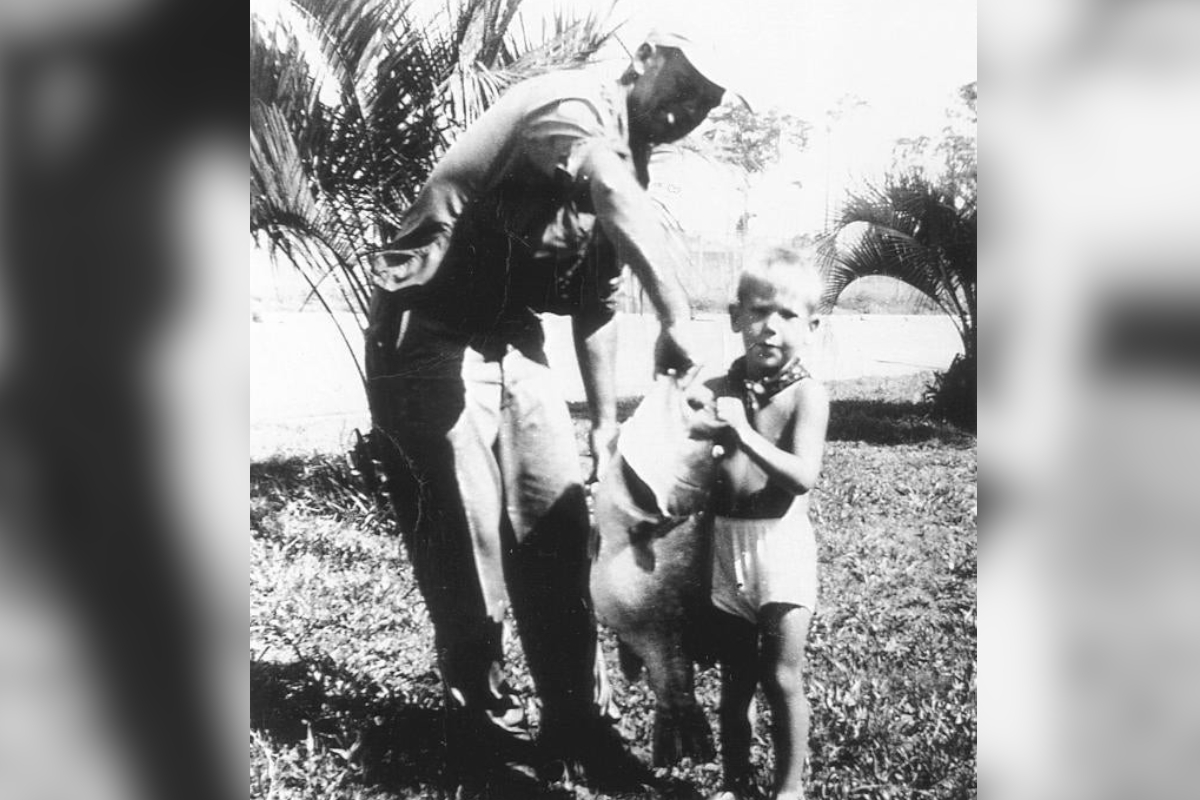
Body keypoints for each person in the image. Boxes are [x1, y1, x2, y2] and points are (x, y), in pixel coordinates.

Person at [364, 26, 735, 788]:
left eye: (708, 100)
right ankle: (482, 731)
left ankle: (576, 724)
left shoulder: (634, 166)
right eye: (686, 85)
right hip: (429, 331)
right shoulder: (571, 107)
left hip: (511, 338)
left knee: (559, 529)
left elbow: (596, 302)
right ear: (645, 60)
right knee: (468, 549)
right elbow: (605, 184)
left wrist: (603, 422)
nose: (690, 109)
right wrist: (677, 313)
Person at [690, 247, 830, 800]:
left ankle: (788, 789)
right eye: (758, 312)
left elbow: (801, 477)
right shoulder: (720, 390)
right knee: (735, 682)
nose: (771, 327)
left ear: (812, 326)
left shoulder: (806, 396)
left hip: (780, 548)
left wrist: (743, 433)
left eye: (789, 316)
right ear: (735, 317)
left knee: (781, 677)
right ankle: (735, 784)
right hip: (726, 545)